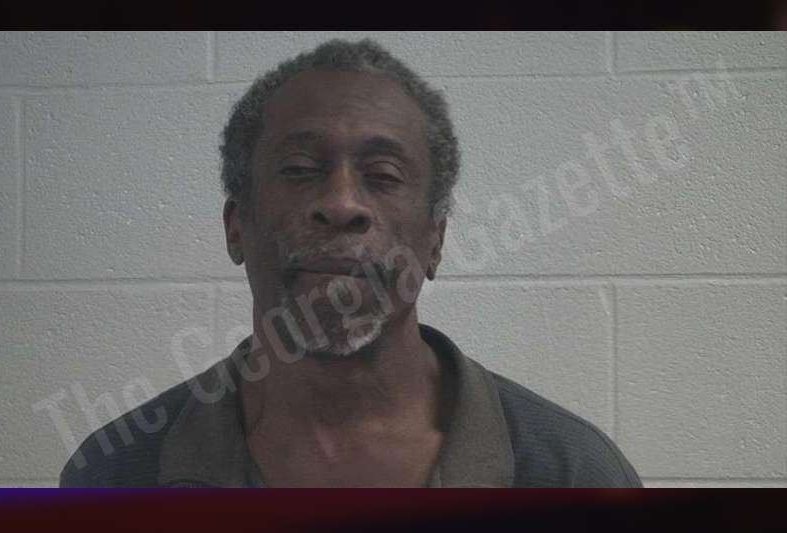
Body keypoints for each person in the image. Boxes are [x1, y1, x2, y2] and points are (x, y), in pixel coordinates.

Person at [60, 39, 641, 488]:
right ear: (237, 227)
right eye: (298, 169)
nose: (341, 204)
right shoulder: (116, 475)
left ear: (435, 240)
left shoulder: (573, 474)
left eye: (383, 176)